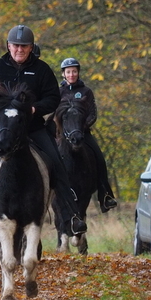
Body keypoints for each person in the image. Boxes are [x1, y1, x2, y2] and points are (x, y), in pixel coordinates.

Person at [0, 24, 87, 241]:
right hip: (3, 131)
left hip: (32, 129)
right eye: (16, 46)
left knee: (56, 162)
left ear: (30, 47)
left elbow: (53, 98)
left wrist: (35, 109)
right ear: (9, 46)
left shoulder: (42, 69)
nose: (19, 49)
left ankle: (72, 215)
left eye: (24, 46)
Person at [59, 57, 118, 212]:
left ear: (78, 73)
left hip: (82, 133)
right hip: (63, 136)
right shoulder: (59, 92)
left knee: (99, 157)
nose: (72, 74)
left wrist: (80, 127)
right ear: (64, 74)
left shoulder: (86, 91)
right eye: (69, 72)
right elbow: (55, 115)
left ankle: (105, 195)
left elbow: (92, 114)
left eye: (74, 71)